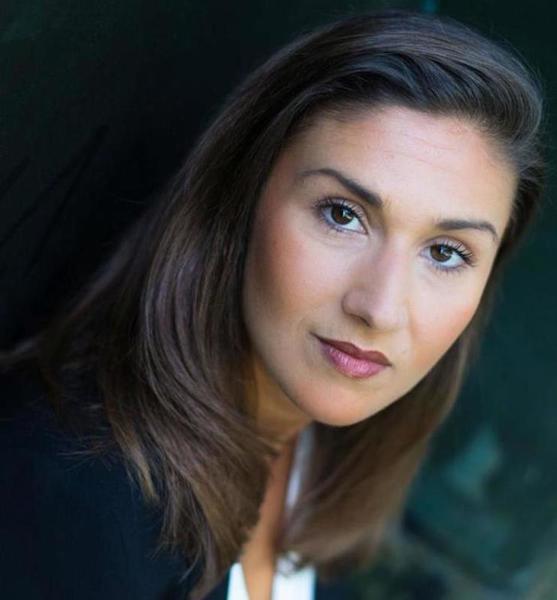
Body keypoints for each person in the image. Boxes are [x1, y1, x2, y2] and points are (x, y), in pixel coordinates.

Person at [0, 8, 545, 600]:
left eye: (445, 252)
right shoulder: (67, 501)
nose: (380, 308)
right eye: (342, 214)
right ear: (242, 194)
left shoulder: (319, 469)